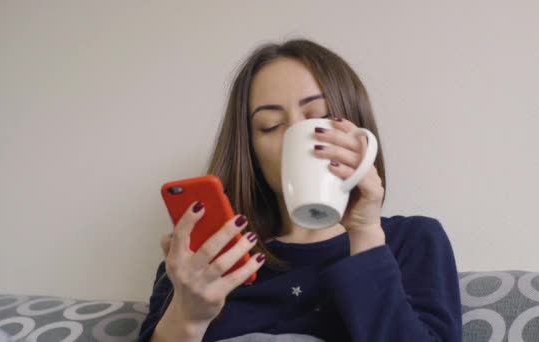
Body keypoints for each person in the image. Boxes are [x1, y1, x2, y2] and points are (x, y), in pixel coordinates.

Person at [138, 39, 462, 342]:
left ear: (356, 132)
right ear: (250, 151)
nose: (297, 136)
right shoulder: (202, 263)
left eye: (317, 118)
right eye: (271, 126)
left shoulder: (413, 240)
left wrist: (365, 233)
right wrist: (188, 316)